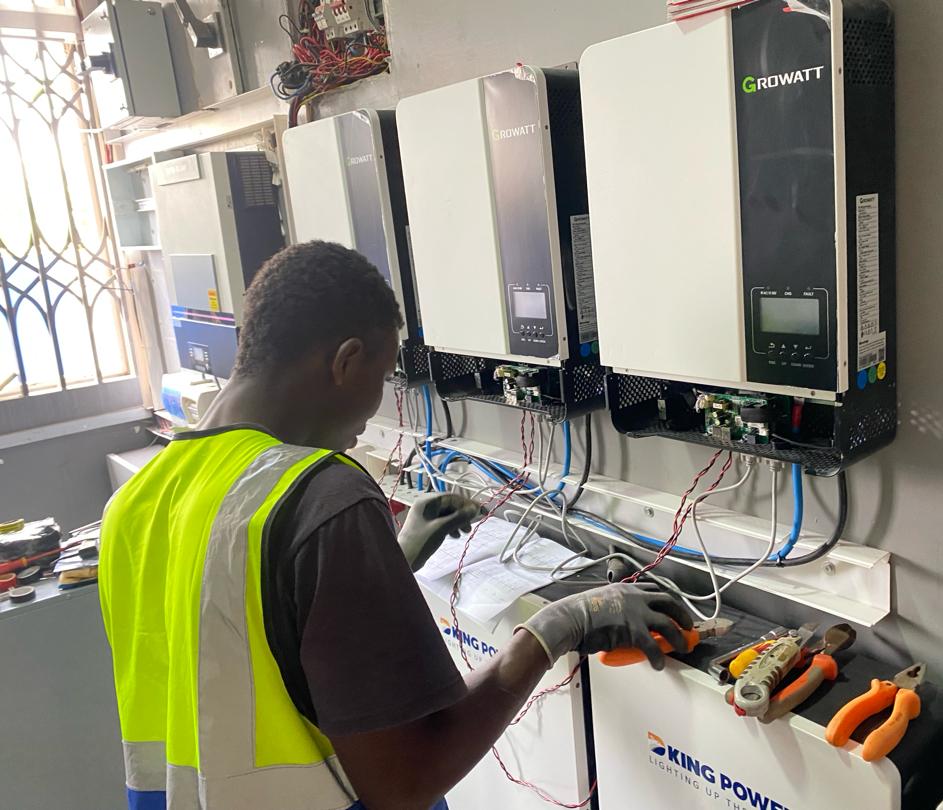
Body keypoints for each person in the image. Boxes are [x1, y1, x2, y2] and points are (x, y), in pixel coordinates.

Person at [99, 241, 693, 810]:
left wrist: (390, 559)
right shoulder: (322, 495)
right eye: (382, 376)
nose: (375, 407)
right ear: (346, 361)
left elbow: (236, 640)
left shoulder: (134, 502)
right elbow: (406, 779)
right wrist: (557, 626)